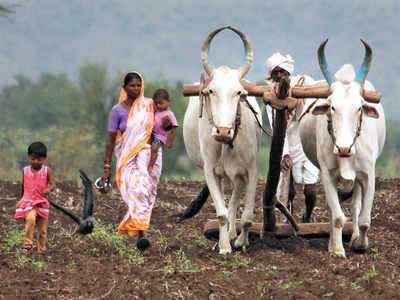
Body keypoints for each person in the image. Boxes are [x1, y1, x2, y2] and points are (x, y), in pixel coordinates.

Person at [103, 71, 162, 251]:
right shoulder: (117, 111)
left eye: (138, 85)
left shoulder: (149, 106)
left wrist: (155, 147)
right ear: (124, 88)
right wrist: (106, 167)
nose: (136, 89)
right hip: (126, 157)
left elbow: (157, 132)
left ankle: (140, 231)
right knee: (135, 190)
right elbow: (111, 140)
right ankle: (140, 232)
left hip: (147, 156)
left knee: (144, 189)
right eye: (132, 86)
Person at [265, 52, 320, 223]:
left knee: (310, 191)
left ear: (288, 71)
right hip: (285, 140)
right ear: (272, 76)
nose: (279, 75)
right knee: (288, 191)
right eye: (276, 72)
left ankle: (308, 216)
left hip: (308, 140)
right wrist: (285, 153)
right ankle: (289, 218)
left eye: (282, 71)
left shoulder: (305, 82)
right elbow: (276, 127)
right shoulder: (269, 94)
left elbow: (320, 90)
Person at [15, 142, 55, 252]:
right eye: (33, 159)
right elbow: (23, 185)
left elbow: (52, 184)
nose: (36, 161)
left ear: (44, 158)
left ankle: (41, 248)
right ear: (28, 157)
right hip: (28, 202)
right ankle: (27, 244)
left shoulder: (47, 170)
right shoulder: (25, 170)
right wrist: (21, 199)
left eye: (39, 159)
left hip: (42, 202)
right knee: (30, 219)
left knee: (42, 229)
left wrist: (48, 189)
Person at [148, 89, 178, 171]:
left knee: (154, 148)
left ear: (168, 102)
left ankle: (151, 165)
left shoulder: (169, 114)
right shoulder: (156, 111)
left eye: (161, 103)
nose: (158, 105)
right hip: (152, 133)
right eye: (156, 103)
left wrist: (170, 140)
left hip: (160, 136)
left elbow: (175, 127)